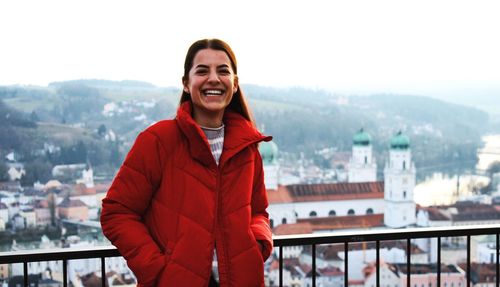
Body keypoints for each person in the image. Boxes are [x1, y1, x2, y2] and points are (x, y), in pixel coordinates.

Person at [100, 38, 274, 287]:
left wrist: (256, 245)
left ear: (234, 84)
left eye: (223, 71)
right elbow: (117, 212)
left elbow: (258, 212)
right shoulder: (158, 141)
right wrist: (157, 269)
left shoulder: (247, 149)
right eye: (202, 71)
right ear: (186, 83)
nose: (213, 78)